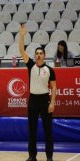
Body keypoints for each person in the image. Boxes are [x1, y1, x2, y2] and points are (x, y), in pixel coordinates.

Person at [19, 24, 56, 161]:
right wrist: (22, 36)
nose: (39, 55)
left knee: (48, 131)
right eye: (37, 53)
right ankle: (32, 156)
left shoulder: (50, 70)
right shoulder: (31, 66)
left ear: (44, 56)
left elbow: (54, 88)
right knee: (32, 130)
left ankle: (49, 157)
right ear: (35, 56)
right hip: (33, 100)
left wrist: (52, 102)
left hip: (45, 100)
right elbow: (22, 51)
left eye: (41, 53)